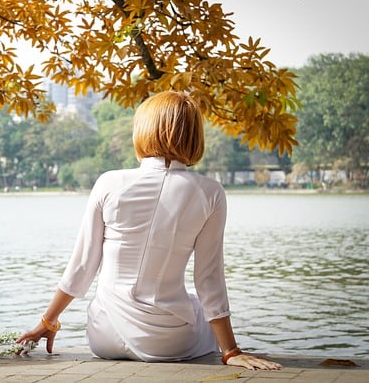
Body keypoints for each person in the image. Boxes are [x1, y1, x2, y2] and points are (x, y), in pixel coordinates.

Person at [17, 91, 282, 370]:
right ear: (194, 135)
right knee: (195, 306)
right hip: (168, 342)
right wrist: (230, 351)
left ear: (143, 129)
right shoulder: (210, 193)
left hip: (103, 335)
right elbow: (208, 279)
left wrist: (46, 323)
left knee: (186, 303)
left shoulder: (109, 183)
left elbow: (82, 266)